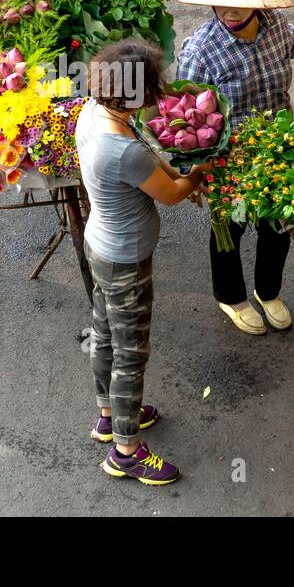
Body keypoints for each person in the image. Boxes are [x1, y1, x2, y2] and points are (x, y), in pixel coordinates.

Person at [76, 39, 208, 485]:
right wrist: (199, 175)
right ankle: (126, 452)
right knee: (131, 354)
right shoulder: (121, 148)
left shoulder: (94, 112)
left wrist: (180, 171)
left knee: (105, 334)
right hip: (125, 262)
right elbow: (170, 196)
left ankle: (109, 417)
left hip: (99, 244)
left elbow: (150, 159)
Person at [175, 0, 294, 335]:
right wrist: (190, 169)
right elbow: (183, 114)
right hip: (228, 154)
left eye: (239, 4)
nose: (229, 12)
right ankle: (232, 298)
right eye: (222, 4)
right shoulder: (202, 48)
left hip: (279, 145)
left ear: (256, 4)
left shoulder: (277, 27)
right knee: (230, 227)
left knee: (278, 222)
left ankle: (267, 291)